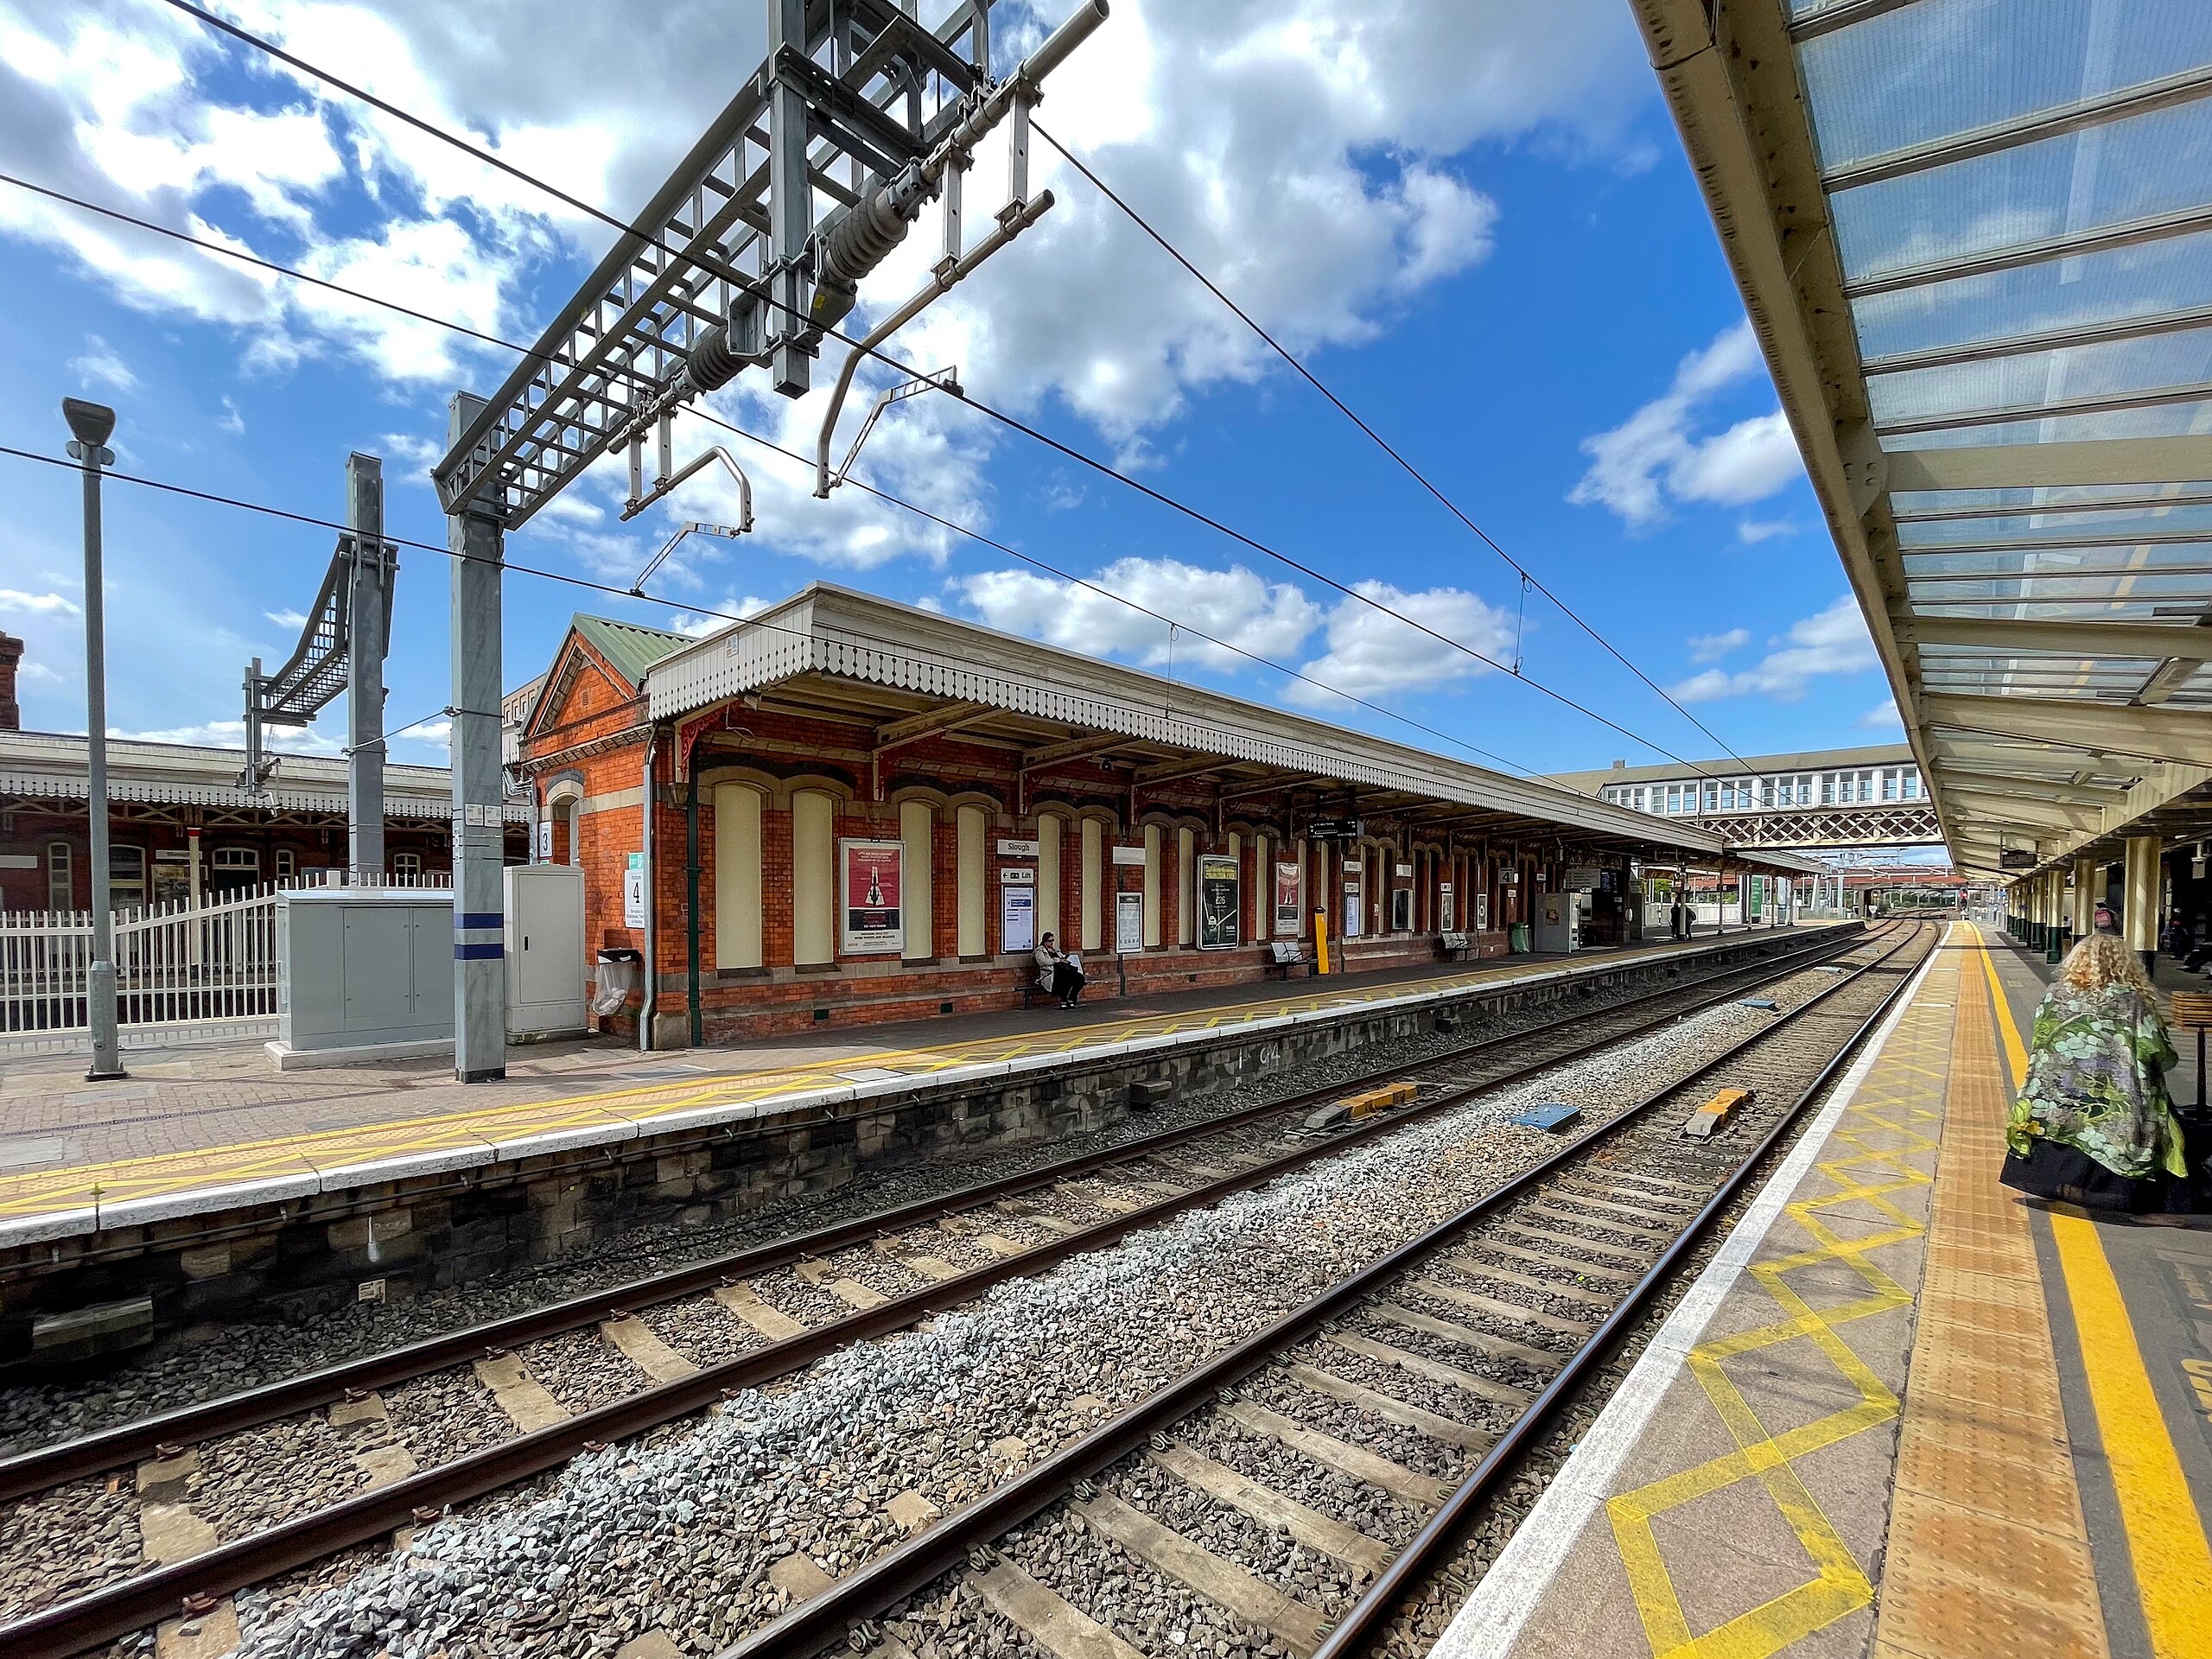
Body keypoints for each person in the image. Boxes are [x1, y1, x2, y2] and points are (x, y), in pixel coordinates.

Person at [2001, 932, 2189, 1212]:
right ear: (2124, 965)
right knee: (2150, 1115)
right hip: (2115, 1099)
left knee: (2063, 1122)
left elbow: (2040, 1038)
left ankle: (2061, 1184)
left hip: (2055, 1094)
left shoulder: (2056, 995)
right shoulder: (2131, 1001)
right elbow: (2157, 1050)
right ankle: (2134, 1198)